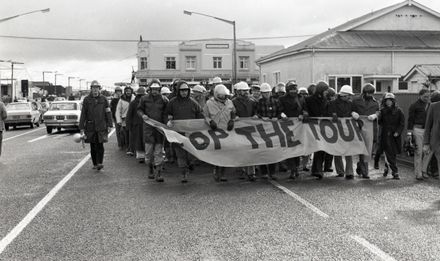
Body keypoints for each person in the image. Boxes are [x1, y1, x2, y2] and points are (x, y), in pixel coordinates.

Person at [166, 80, 204, 183]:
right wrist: (168, 120)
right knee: (180, 154)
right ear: (178, 91)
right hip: (178, 134)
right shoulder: (172, 102)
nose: (184, 92)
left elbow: (200, 114)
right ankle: (184, 173)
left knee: (190, 154)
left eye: (186, 90)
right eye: (182, 90)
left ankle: (190, 164)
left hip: (190, 134)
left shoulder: (193, 102)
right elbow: (167, 114)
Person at [137, 79, 169, 182]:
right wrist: (143, 115)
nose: (155, 91)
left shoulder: (164, 99)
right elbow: (139, 109)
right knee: (149, 153)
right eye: (153, 89)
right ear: (150, 89)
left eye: (156, 89)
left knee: (159, 152)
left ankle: (159, 172)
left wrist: (167, 122)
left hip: (159, 129)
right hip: (148, 128)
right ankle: (150, 168)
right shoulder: (144, 99)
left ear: (159, 89)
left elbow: (166, 112)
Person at [203, 84, 236, 182]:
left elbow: (233, 112)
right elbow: (204, 115)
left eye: (224, 95)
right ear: (216, 94)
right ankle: (216, 171)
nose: (223, 97)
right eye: (221, 95)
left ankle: (223, 173)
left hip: (226, 131)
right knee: (217, 152)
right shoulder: (209, 103)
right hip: (215, 131)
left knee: (225, 152)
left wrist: (232, 120)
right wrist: (210, 121)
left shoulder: (229, 102)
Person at [79, 80, 113, 170]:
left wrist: (110, 124)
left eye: (97, 88)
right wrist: (81, 127)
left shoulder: (104, 99)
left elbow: (108, 112)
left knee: (100, 145)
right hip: (90, 126)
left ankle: (100, 163)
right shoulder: (86, 100)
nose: (95, 90)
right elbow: (83, 114)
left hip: (101, 125)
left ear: (99, 89)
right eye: (93, 88)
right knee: (93, 146)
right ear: (91, 89)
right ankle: (95, 163)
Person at [327, 85, 357, 179]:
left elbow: (354, 111)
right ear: (344, 95)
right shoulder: (332, 103)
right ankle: (340, 171)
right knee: (337, 150)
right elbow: (327, 114)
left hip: (347, 129)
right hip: (336, 130)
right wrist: (332, 115)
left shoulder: (351, 104)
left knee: (349, 151)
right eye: (349, 95)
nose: (350, 97)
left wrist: (353, 113)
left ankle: (349, 172)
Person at [279, 81, 306, 179]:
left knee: (297, 148)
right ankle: (292, 169)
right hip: (287, 126)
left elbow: (305, 109)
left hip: (299, 126)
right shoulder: (282, 99)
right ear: (287, 90)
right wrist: (282, 114)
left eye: (294, 89)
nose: (293, 91)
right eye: (291, 89)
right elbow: (279, 110)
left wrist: (303, 114)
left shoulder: (301, 98)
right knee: (289, 148)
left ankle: (296, 168)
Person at [256, 82, 284, 180]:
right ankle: (263, 172)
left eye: (267, 92)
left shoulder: (276, 102)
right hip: (262, 130)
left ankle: (272, 172)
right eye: (264, 93)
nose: (266, 94)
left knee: (273, 151)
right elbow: (256, 114)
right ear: (261, 93)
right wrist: (261, 118)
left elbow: (281, 112)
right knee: (263, 150)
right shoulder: (259, 103)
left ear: (270, 93)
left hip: (274, 130)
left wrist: (277, 117)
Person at [352, 83, 380, 179]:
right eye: (368, 93)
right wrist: (353, 113)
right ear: (364, 92)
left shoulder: (375, 102)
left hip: (371, 128)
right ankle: (365, 172)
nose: (370, 95)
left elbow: (378, 111)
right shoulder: (356, 101)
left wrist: (376, 115)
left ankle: (361, 165)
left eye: (371, 93)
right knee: (362, 149)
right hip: (359, 126)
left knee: (368, 149)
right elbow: (350, 109)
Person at [232, 81, 258, 181]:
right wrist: (234, 116)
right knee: (241, 150)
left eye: (246, 91)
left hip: (251, 129)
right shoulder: (233, 102)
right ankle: (241, 170)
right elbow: (230, 112)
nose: (245, 93)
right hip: (238, 129)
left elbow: (256, 111)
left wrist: (256, 115)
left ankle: (251, 172)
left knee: (251, 150)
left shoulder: (252, 101)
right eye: (242, 91)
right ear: (238, 92)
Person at [304, 81, 329, 179]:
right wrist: (305, 113)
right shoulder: (309, 99)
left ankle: (317, 169)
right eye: (325, 90)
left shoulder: (325, 100)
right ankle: (314, 168)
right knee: (313, 147)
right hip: (311, 126)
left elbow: (326, 111)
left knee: (321, 148)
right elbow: (304, 108)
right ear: (320, 90)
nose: (327, 92)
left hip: (321, 126)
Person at [378, 92, 404, 180]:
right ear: (384, 102)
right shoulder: (382, 111)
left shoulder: (399, 111)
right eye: (387, 101)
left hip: (395, 135)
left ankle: (386, 167)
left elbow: (402, 123)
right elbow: (379, 122)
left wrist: (398, 132)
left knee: (393, 153)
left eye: (390, 101)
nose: (388, 102)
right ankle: (395, 172)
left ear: (393, 101)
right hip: (385, 135)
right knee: (389, 153)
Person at [407, 88, 430, 180]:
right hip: (418, 130)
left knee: (427, 152)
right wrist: (409, 133)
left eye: (428, 96)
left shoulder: (430, 105)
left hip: (428, 131)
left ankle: (424, 170)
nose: (427, 98)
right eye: (425, 96)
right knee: (419, 152)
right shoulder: (414, 106)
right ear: (420, 95)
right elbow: (410, 120)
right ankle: (418, 173)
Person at [126, 87, 146, 163]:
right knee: (139, 140)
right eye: (141, 95)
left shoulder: (143, 102)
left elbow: (129, 115)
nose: (141, 96)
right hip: (138, 125)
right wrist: (128, 125)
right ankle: (141, 156)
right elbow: (129, 115)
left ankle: (143, 156)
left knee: (141, 140)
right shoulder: (134, 103)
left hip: (141, 124)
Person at [116, 86, 134, 155]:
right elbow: (118, 110)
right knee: (126, 134)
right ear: (125, 91)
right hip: (124, 119)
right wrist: (119, 120)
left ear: (131, 91)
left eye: (129, 91)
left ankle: (132, 148)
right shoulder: (121, 100)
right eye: (127, 91)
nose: (128, 92)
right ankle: (128, 148)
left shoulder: (134, 98)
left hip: (132, 119)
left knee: (132, 134)